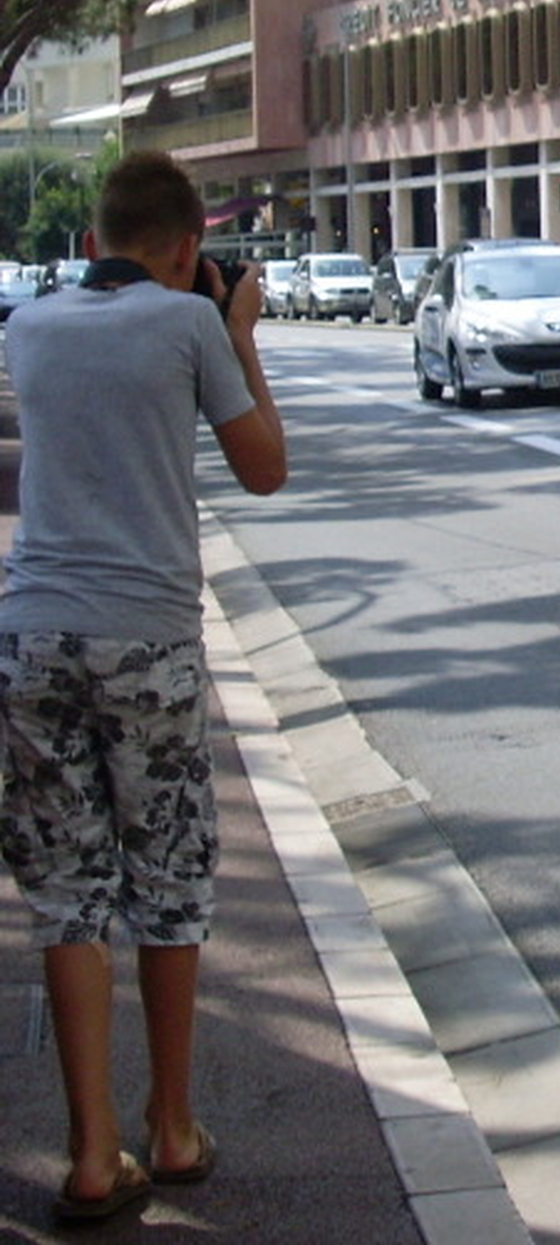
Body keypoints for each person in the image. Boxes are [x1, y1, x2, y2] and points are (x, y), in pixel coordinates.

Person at [0, 152, 287, 1223]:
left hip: (32, 635)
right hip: (146, 640)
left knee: (67, 892)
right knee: (167, 879)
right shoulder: (191, 327)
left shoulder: (27, 328)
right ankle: (170, 1128)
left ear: (88, 243)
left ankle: (88, 1153)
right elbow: (264, 467)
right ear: (188, 250)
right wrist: (238, 332)